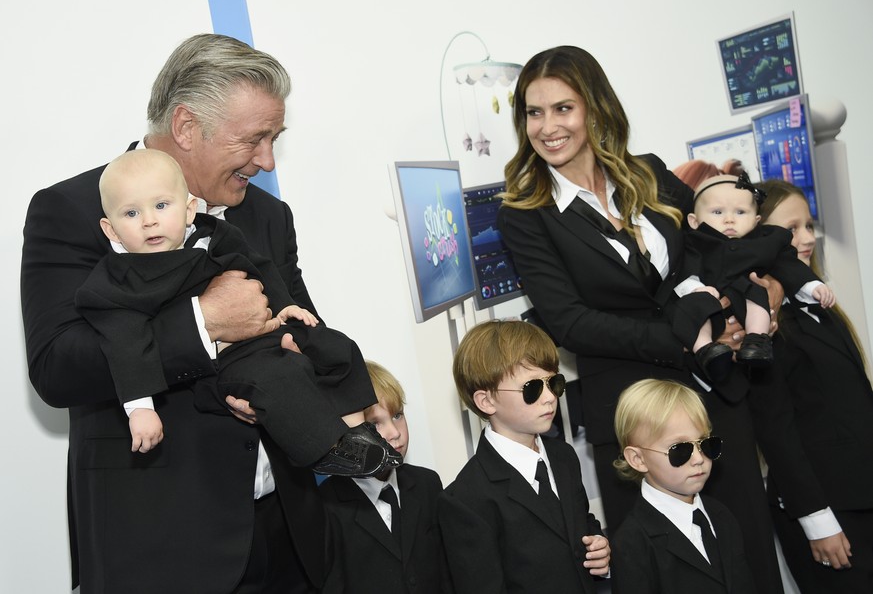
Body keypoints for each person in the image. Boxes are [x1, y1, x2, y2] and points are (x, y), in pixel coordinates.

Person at [21, 33, 342, 593]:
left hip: (291, 536)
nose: (267, 161)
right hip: (163, 547)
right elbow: (57, 368)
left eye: (275, 139)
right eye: (255, 139)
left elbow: (302, 328)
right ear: (188, 127)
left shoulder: (267, 215)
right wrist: (205, 324)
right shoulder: (72, 211)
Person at [496, 44, 785, 592]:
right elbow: (571, 324)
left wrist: (748, 292)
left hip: (714, 397)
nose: (547, 126)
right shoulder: (525, 213)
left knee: (747, 561)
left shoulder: (648, 173)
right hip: (636, 420)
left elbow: (708, 246)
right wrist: (688, 339)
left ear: (595, 108)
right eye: (534, 112)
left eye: (563, 108)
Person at [76, 148, 400, 476]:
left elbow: (257, 265)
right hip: (222, 364)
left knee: (334, 345)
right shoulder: (118, 281)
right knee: (279, 378)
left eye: (161, 206)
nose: (149, 220)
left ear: (189, 209)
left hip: (266, 333)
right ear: (111, 230)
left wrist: (285, 303)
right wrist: (140, 408)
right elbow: (125, 344)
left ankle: (356, 430)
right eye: (131, 214)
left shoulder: (214, 235)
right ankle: (325, 450)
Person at [756, 179, 873, 593]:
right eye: (792, 230)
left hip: (860, 496)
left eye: (809, 225)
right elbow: (775, 429)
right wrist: (817, 520)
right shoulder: (762, 322)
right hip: (827, 513)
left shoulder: (817, 306)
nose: (807, 238)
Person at [438, 319, 610, 593]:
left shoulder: (563, 456)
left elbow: (581, 523)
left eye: (553, 382)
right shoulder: (467, 499)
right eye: (532, 388)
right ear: (486, 401)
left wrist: (599, 546)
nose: (550, 398)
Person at [676, 172, 835, 382]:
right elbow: (684, 271)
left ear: (756, 220)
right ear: (694, 221)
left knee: (756, 293)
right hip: (709, 301)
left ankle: (756, 341)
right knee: (694, 307)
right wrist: (694, 288)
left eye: (740, 212)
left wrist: (811, 285)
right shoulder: (692, 244)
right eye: (717, 211)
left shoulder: (764, 243)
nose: (729, 219)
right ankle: (706, 349)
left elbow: (788, 264)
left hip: (746, 294)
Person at [610, 379, 756, 594]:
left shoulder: (721, 515)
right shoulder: (632, 544)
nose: (698, 458)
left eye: (706, 443)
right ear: (638, 459)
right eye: (680, 449)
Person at [319, 360, 447, 593]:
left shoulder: (428, 484)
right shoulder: (326, 506)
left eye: (397, 415)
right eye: (375, 424)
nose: (395, 433)